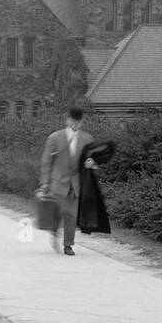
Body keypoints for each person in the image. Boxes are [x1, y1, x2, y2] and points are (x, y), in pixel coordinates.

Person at [38, 105, 97, 255]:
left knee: (72, 213)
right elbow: (46, 161)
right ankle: (54, 231)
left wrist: (91, 164)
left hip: (76, 182)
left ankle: (68, 244)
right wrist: (44, 182)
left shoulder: (87, 139)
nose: (76, 124)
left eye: (79, 121)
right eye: (73, 120)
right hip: (58, 181)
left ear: (82, 122)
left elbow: (92, 160)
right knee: (57, 212)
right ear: (68, 120)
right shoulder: (54, 137)